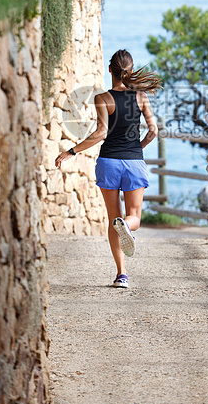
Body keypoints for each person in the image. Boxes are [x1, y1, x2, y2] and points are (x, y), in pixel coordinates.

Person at [55, 49, 161, 289]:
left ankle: (121, 274)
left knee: (113, 218)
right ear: (130, 71)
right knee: (132, 217)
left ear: (110, 69)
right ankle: (127, 225)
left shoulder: (103, 98)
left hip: (109, 162)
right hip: (134, 162)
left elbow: (101, 133)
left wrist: (72, 151)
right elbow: (153, 130)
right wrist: (138, 148)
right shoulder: (141, 97)